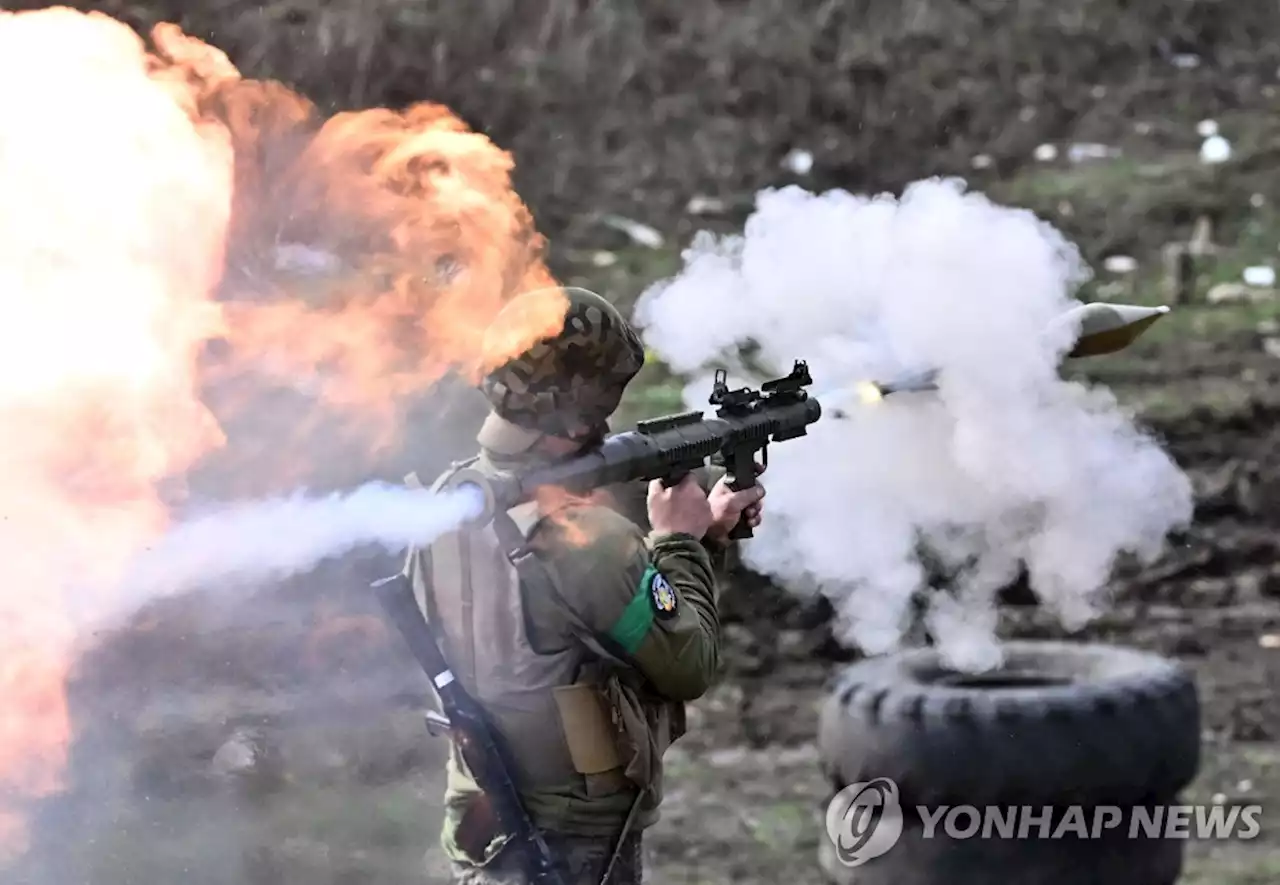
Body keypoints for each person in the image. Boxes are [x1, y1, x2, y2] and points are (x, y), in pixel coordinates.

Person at [403, 286, 765, 885]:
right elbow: (688, 665)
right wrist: (676, 541)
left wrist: (708, 539)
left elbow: (570, 615)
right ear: (573, 411)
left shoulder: (446, 501)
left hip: (486, 824)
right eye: (601, 401)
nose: (606, 419)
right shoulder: (586, 540)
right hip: (572, 846)